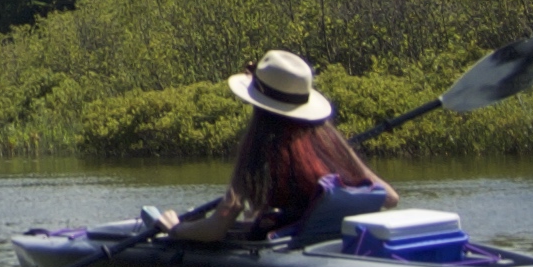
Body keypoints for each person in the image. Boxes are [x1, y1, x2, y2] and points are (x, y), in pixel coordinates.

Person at [157, 51, 397, 245]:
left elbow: (216, 229)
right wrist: (342, 152)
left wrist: (176, 228)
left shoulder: (257, 150)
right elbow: (389, 197)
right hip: (329, 241)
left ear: (259, 106)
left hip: (292, 246)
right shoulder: (328, 140)